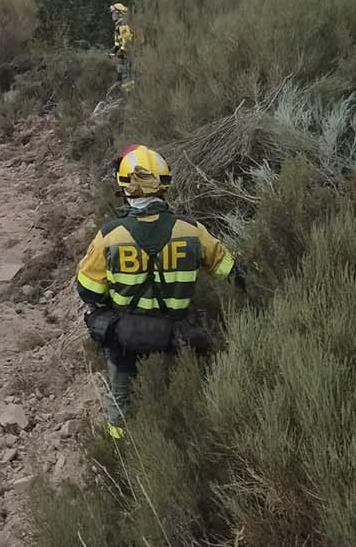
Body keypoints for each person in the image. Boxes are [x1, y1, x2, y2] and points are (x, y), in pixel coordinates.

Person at [74, 144, 246, 439]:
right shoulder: (192, 230)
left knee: (121, 402)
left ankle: (123, 448)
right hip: (178, 338)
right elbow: (231, 274)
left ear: (124, 186)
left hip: (126, 338)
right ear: (164, 184)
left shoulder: (110, 236)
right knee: (184, 396)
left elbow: (88, 290)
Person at [109, 3, 134, 91]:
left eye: (114, 13)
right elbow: (118, 44)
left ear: (119, 13)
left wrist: (122, 50)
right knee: (121, 75)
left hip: (127, 56)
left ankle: (129, 95)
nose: (113, 16)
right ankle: (122, 91)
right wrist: (113, 52)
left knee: (126, 77)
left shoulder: (123, 25)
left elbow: (127, 40)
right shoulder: (118, 26)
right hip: (123, 57)